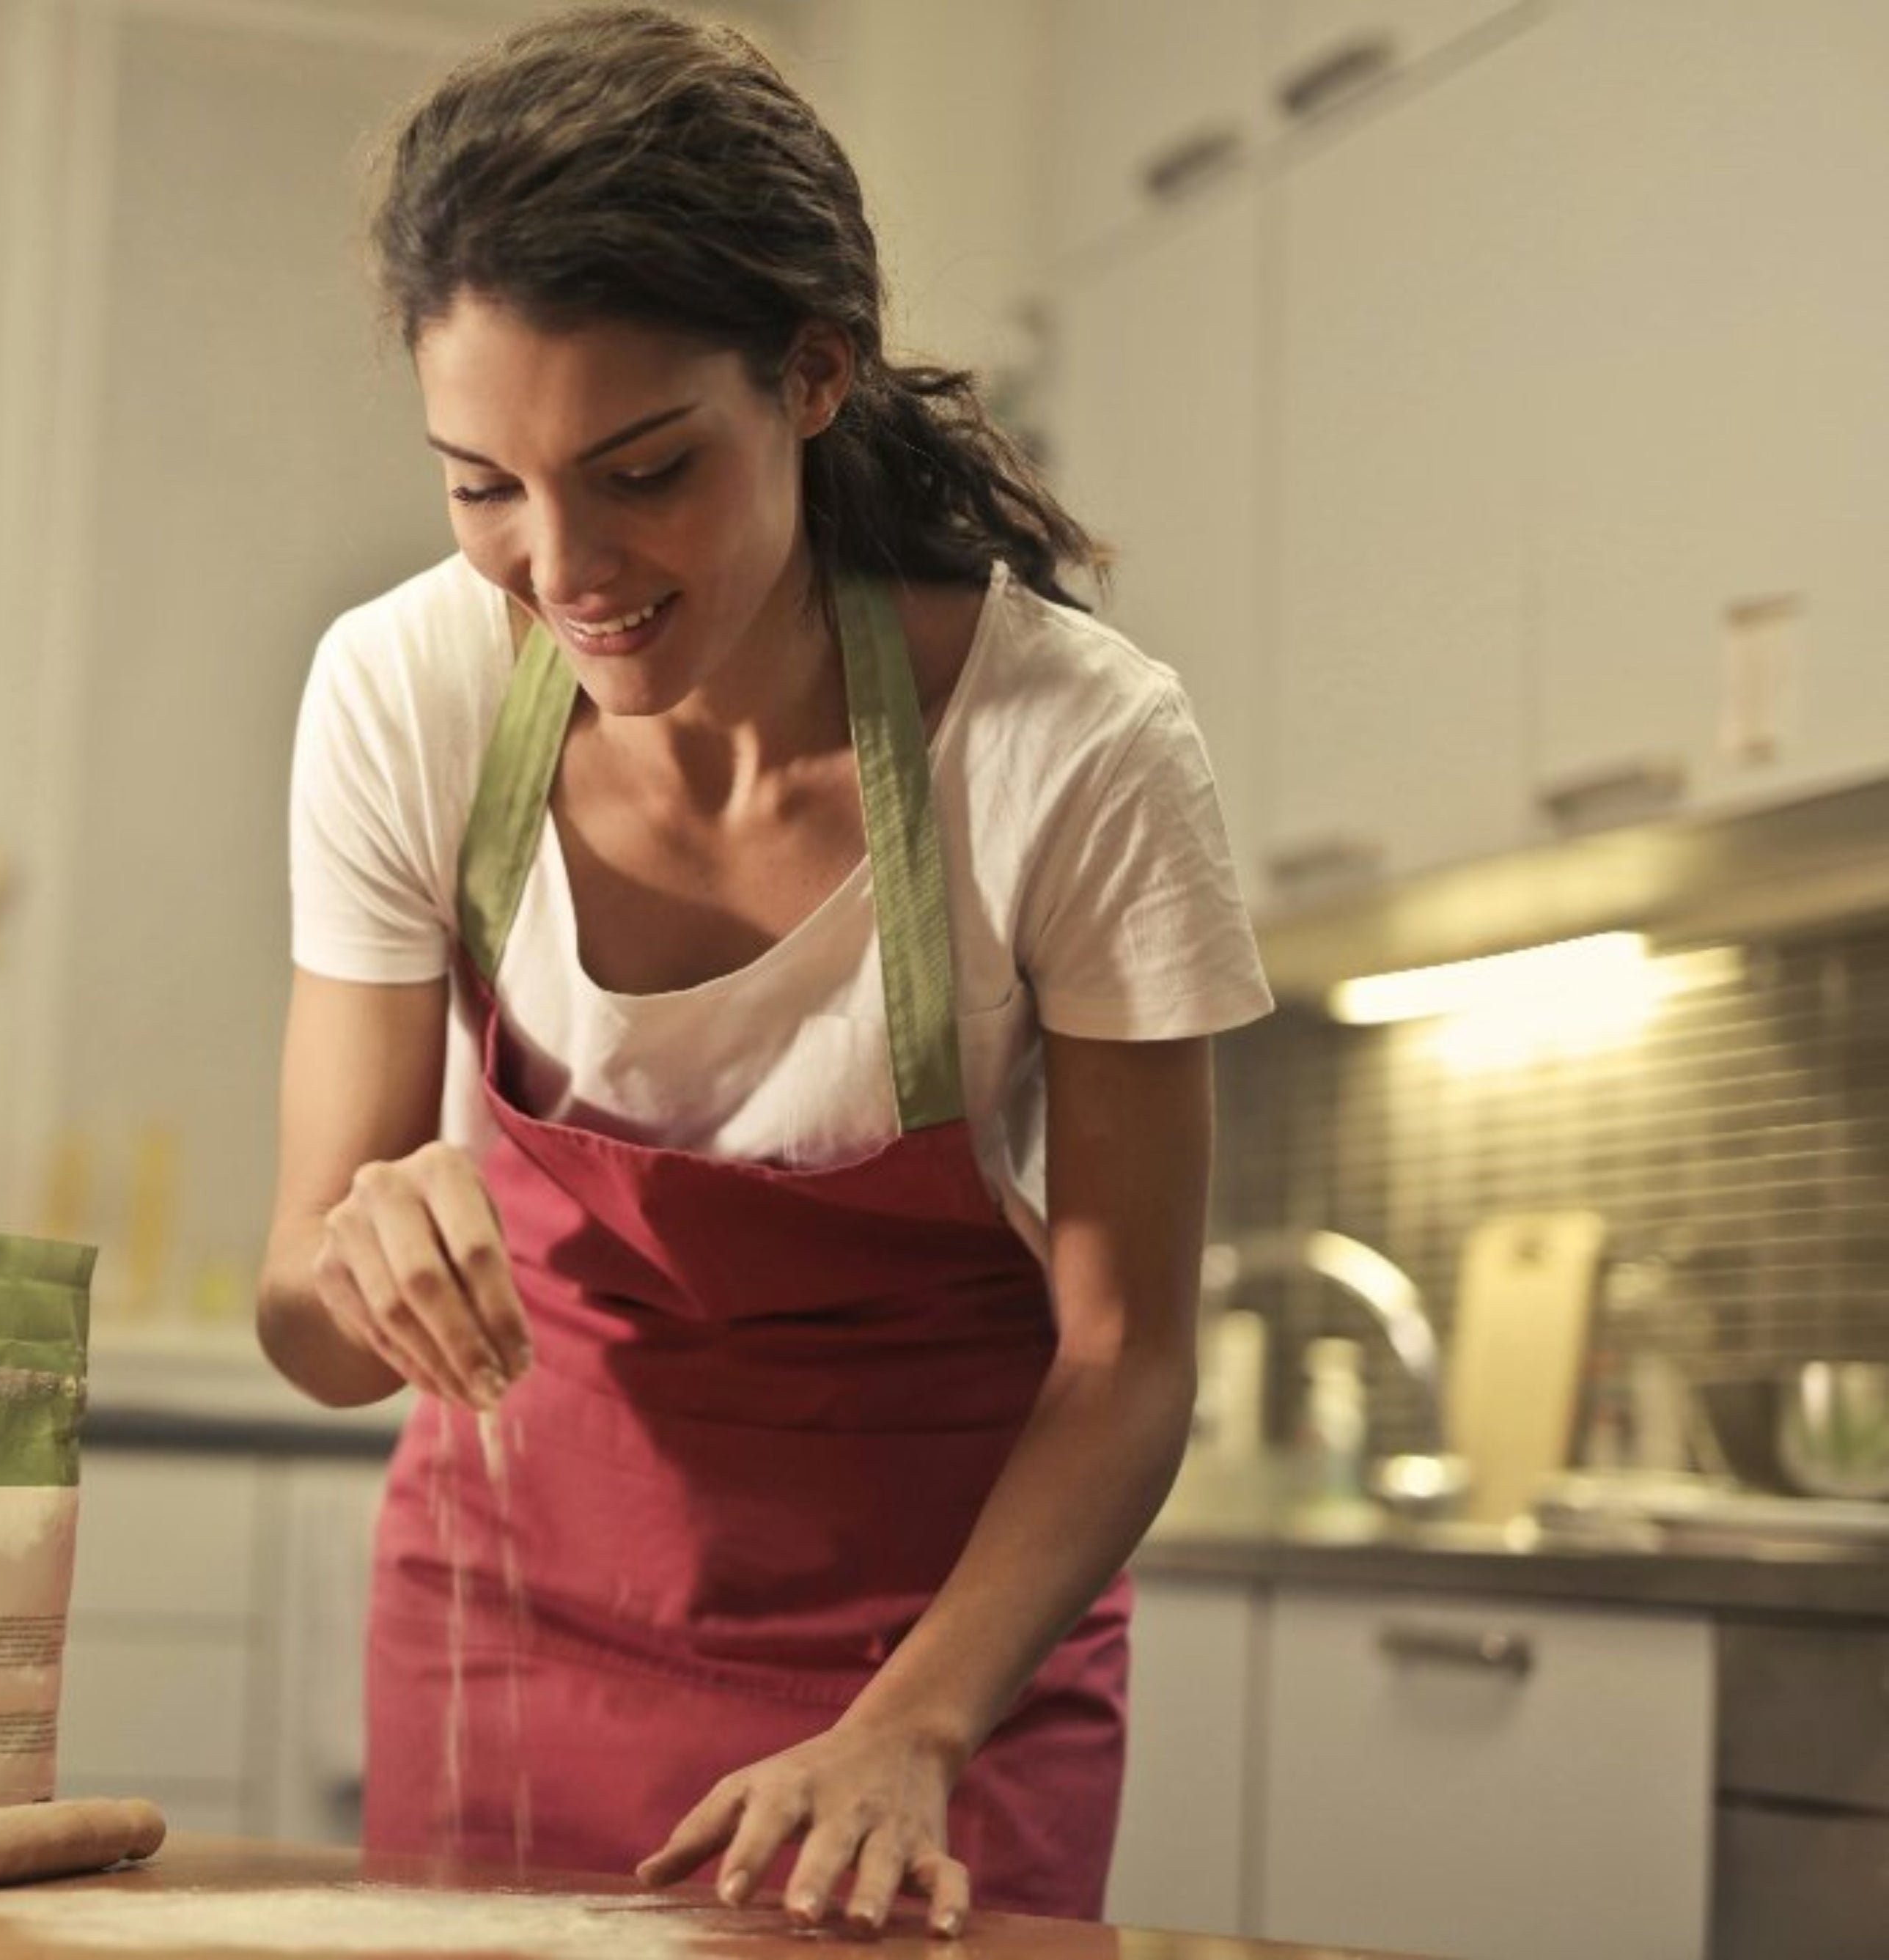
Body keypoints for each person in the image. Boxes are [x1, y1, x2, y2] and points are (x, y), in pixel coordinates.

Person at [257, 4, 1272, 1937]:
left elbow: (1130, 1353)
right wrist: (352, 1256)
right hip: (510, 1642)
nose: (563, 565)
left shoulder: (1074, 748)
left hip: (940, 1685)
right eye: (481, 485)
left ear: (814, 374)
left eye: (643, 471)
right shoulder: (405, 695)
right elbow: (301, 1322)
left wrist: (913, 1725)